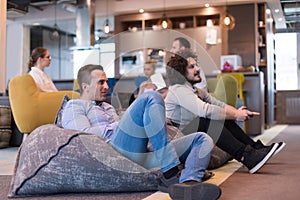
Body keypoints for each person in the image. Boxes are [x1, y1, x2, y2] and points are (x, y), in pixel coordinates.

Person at [61, 64, 221, 199]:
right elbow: (82, 136)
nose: (107, 87)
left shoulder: (107, 106)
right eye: (101, 82)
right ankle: (170, 172)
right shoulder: (75, 106)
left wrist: (146, 125)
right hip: (115, 152)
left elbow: (129, 131)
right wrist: (123, 125)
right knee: (151, 96)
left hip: (139, 151)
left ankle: (188, 183)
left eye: (106, 82)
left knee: (202, 139)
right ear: (85, 86)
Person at [165, 50, 286, 174]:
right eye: (191, 67)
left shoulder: (196, 90)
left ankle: (254, 149)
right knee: (205, 119)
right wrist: (235, 115)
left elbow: (219, 105)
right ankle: (245, 156)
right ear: (180, 72)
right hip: (178, 139)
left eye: (196, 65)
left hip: (190, 134)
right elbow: (205, 110)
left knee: (220, 117)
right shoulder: (178, 90)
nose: (197, 69)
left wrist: (238, 114)